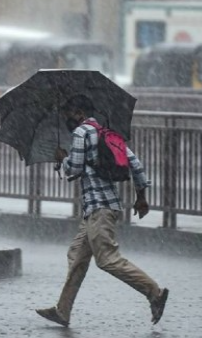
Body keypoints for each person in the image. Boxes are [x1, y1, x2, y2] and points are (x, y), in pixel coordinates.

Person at [35, 94, 168, 327]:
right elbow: (135, 165)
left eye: (68, 114)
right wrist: (141, 197)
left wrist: (62, 159)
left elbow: (74, 169)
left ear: (78, 113)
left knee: (107, 260)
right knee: (76, 256)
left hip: (98, 209)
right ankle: (62, 311)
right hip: (102, 208)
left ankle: (154, 293)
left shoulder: (80, 133)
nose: (66, 119)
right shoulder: (106, 133)